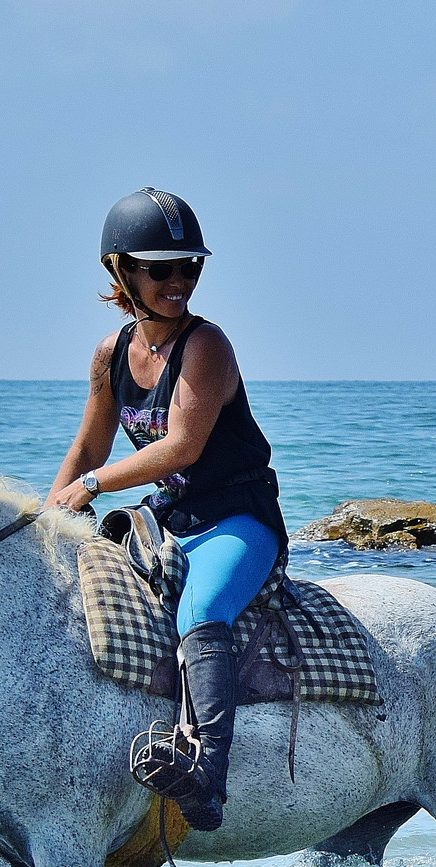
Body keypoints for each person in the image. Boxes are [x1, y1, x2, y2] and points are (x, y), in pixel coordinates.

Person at [44, 187, 287, 829]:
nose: (179, 281)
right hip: (171, 519)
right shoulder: (110, 354)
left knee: (201, 609)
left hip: (238, 518)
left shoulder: (207, 347)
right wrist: (43, 524)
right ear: (120, 271)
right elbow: (88, 445)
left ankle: (206, 776)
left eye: (190, 268)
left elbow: (182, 444)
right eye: (161, 269)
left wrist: (93, 487)